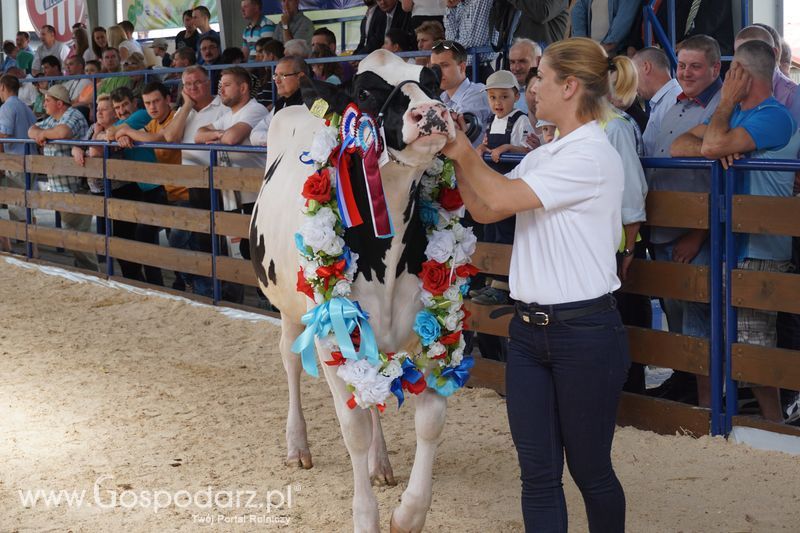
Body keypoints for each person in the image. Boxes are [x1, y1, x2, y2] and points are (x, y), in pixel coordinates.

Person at [441, 37, 631, 532]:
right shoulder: (547, 153)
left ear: (569, 86)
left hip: (584, 333)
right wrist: (459, 155)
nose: (532, 86)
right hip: (529, 332)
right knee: (538, 475)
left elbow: (499, 194)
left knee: (591, 471)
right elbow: (485, 208)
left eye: (540, 77)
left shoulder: (589, 154)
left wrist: (462, 149)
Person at [672, 39, 800, 422]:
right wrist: (717, 143)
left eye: (731, 73)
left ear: (739, 75)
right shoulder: (738, 119)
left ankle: (773, 425)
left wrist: (720, 124)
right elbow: (679, 146)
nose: (727, 80)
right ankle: (747, 423)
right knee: (735, 340)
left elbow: (710, 146)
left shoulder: (774, 116)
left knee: (753, 343)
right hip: (735, 243)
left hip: (762, 247)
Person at [645, 34, 722, 406]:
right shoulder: (675, 102)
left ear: (715, 68)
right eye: (682, 65)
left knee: (697, 317)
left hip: (693, 234)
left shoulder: (721, 105)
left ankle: (707, 406)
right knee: (676, 315)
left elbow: (718, 177)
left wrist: (696, 233)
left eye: (695, 66)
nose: (686, 73)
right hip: (662, 228)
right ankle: (685, 385)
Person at [196, 66, 269, 302]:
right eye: (220, 85)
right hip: (238, 190)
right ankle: (259, 296)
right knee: (246, 249)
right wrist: (219, 134)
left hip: (257, 191)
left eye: (226, 85)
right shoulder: (229, 116)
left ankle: (267, 298)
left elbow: (231, 138)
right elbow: (199, 134)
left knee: (259, 249)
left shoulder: (255, 109)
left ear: (243, 88)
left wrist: (217, 135)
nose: (221, 90)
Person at [160, 65, 226, 297]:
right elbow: (170, 137)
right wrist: (186, 105)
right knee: (196, 240)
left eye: (197, 82)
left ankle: (224, 290)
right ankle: (202, 287)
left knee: (221, 240)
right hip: (193, 185)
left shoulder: (222, 106)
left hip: (220, 182)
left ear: (208, 82)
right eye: (187, 84)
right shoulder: (183, 111)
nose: (193, 87)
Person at [471, 70, 531, 309]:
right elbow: (486, 145)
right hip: (491, 188)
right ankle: (491, 279)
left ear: (516, 96)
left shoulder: (520, 120)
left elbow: (528, 149)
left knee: (507, 234)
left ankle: (504, 285)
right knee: (491, 232)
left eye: (504, 97)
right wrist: (483, 150)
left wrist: (507, 147)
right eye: (493, 97)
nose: (498, 102)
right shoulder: (491, 121)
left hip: (509, 186)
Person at [27, 84, 96, 271]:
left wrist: (43, 135)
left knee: (78, 237)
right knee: (73, 235)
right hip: (62, 187)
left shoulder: (72, 115)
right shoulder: (53, 119)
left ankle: (92, 273)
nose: (44, 104)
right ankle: (86, 271)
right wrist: (41, 134)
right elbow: (31, 129)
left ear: (59, 103)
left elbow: (63, 132)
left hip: (75, 187)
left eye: (47, 100)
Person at [430, 39, 491, 146]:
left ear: (462, 67)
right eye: (434, 67)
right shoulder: (442, 97)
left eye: (444, 65)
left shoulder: (478, 93)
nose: (437, 72)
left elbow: (448, 136)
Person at [0, 74, 37, 245]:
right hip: (31, 159)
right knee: (26, 202)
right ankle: (27, 241)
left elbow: (4, 133)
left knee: (18, 202)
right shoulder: (26, 107)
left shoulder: (7, 107)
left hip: (16, 160)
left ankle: (28, 243)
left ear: (3, 88)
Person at [633, 47, 682, 155]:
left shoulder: (673, 102)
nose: (632, 82)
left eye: (633, 73)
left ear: (646, 67)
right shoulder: (667, 100)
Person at [251, 55, 307, 146]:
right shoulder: (280, 104)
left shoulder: (312, 104)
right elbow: (254, 135)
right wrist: (279, 138)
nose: (277, 81)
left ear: (300, 77)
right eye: (275, 75)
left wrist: (275, 138)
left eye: (283, 75)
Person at [443, 0, 494, 76]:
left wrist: (452, 47)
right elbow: (450, 39)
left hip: (478, 70)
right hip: (462, 69)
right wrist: (451, 8)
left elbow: (475, 42)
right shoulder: (459, 5)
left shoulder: (480, 1)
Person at [570, 0, 640, 55]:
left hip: (615, 54)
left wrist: (602, 48)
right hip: (592, 50)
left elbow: (622, 23)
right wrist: (581, 44)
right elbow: (578, 9)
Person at [508, 38, 542, 114]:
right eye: (512, 62)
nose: (516, 68)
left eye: (522, 61)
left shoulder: (549, 93)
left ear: (538, 61)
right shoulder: (505, 91)